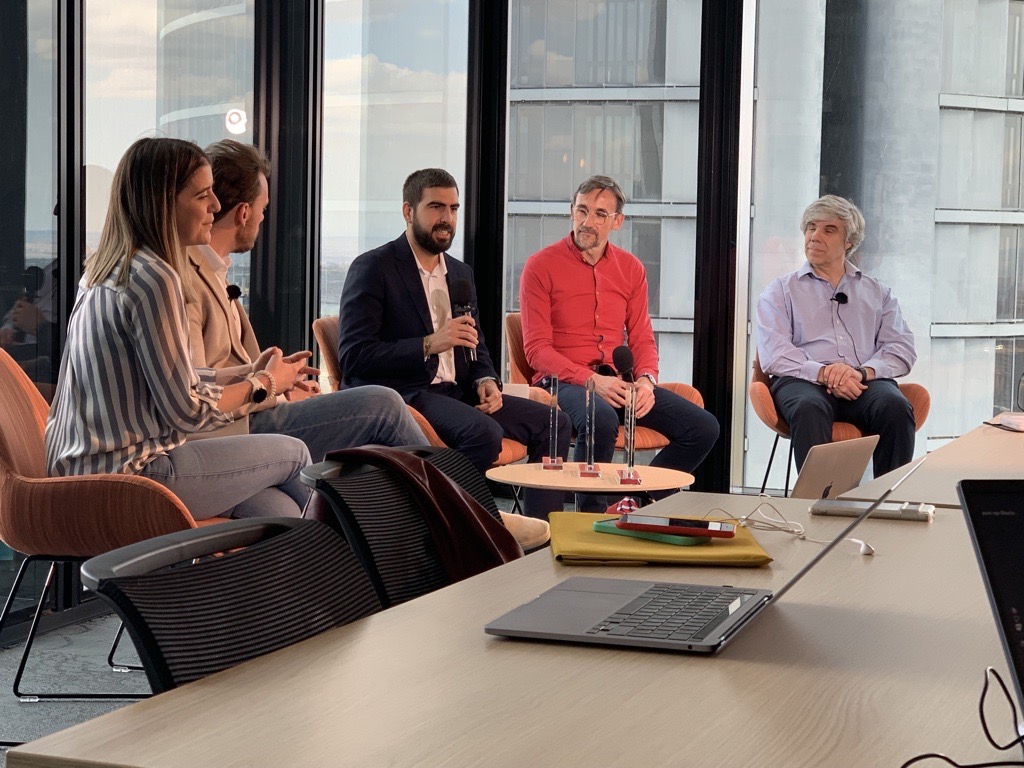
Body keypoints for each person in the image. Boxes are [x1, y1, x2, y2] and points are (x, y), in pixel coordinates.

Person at [45, 137, 313, 520]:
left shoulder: (108, 269)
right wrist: (263, 385)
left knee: (277, 511)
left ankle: (295, 571)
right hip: (131, 477)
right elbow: (186, 411)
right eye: (203, 196)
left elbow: (169, 380)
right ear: (164, 202)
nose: (216, 206)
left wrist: (250, 372)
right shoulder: (156, 278)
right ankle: (351, 566)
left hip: (77, 473)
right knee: (294, 452)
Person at [338, 167, 571, 520]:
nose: (446, 218)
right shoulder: (374, 268)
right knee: (485, 435)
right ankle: (456, 526)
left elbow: (475, 347)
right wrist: (429, 343)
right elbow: (355, 358)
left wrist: (486, 381)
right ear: (408, 211)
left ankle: (543, 531)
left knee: (555, 424)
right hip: (407, 394)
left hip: (457, 392)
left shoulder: (460, 274)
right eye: (435, 207)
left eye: (453, 208)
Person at [185, 139, 426, 459]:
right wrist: (271, 386)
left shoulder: (215, 274)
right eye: (263, 210)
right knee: (384, 405)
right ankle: (454, 505)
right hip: (232, 432)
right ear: (244, 213)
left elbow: (220, 377)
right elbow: (196, 397)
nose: (262, 220)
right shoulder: (186, 282)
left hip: (247, 418)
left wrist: (281, 389)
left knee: (306, 494)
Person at [518, 175, 719, 505]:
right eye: (582, 211)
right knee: (601, 415)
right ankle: (589, 520)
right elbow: (537, 351)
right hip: (561, 382)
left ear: (618, 221)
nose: (587, 221)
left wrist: (646, 381)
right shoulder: (540, 266)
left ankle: (633, 502)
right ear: (571, 212)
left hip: (618, 383)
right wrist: (592, 380)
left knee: (703, 428)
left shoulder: (632, 268)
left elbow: (641, 337)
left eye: (600, 214)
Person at [755, 194, 917, 476]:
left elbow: (901, 349)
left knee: (895, 407)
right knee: (808, 407)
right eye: (811, 228)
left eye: (829, 230)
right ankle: (819, 505)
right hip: (802, 380)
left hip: (863, 382)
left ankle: (888, 503)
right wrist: (825, 373)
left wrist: (862, 373)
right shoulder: (780, 291)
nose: (815, 236)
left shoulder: (878, 293)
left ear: (849, 243)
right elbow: (774, 354)